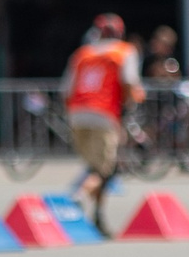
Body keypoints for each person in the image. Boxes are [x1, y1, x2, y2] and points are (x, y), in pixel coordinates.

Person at [61, 14, 142, 238]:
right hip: (104, 113)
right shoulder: (124, 51)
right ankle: (78, 196)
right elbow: (129, 83)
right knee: (105, 170)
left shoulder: (82, 53)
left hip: (77, 113)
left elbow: (66, 89)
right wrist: (129, 108)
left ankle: (97, 216)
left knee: (94, 167)